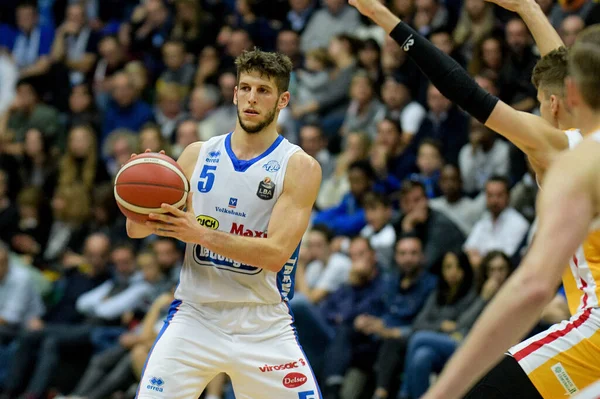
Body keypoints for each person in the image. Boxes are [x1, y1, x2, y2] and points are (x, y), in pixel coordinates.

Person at [126, 48, 322, 399]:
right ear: (234, 94)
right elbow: (137, 230)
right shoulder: (197, 154)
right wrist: (136, 193)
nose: (251, 98)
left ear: (283, 100)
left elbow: (275, 254)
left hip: (262, 324)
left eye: (263, 90)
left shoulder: (299, 166)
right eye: (245, 88)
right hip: (195, 316)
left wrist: (199, 233)